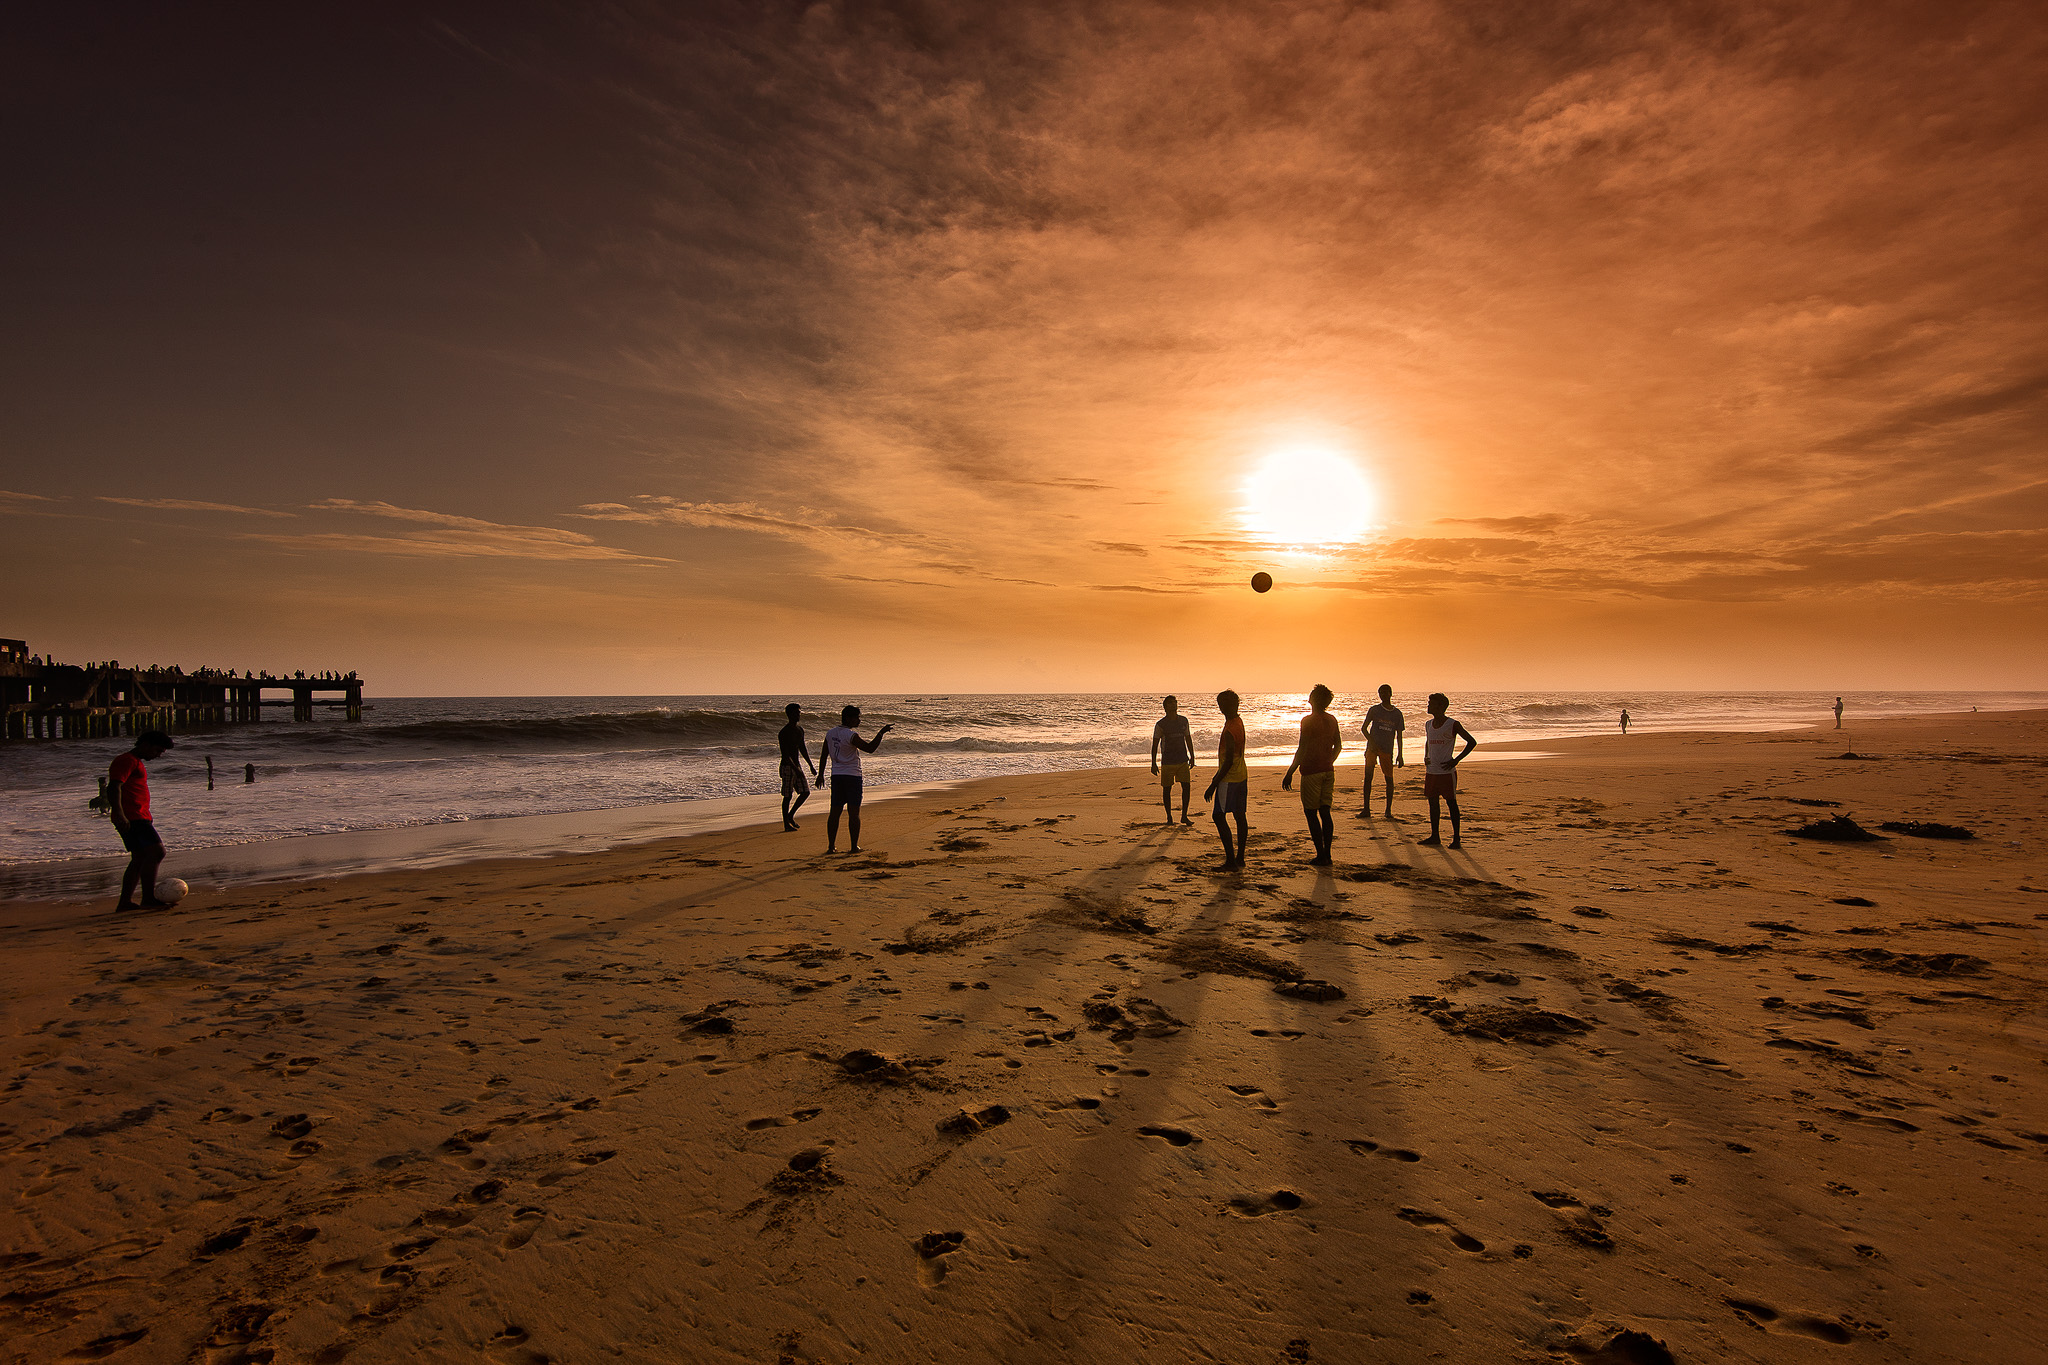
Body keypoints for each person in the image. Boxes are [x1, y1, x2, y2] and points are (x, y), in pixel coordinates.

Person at [108, 730, 175, 911]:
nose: (157, 755)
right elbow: (114, 787)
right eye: (157, 751)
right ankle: (148, 899)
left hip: (137, 815)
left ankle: (125, 902)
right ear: (145, 744)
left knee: (139, 858)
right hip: (133, 817)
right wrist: (119, 813)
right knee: (156, 852)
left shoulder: (134, 762)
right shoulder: (127, 761)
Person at [816, 705, 892, 854]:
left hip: (836, 776)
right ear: (848, 718)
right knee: (854, 813)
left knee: (835, 812)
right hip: (852, 776)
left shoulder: (830, 733)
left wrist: (820, 774)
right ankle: (853, 846)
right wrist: (881, 733)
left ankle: (831, 846)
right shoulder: (851, 735)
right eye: (857, 717)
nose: (859, 720)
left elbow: (824, 755)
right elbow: (870, 748)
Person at [1281, 684, 1342, 865]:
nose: (1308, 699)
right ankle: (1327, 854)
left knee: (1310, 813)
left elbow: (1302, 748)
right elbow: (1338, 746)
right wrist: (1330, 761)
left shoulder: (1307, 721)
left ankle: (1321, 854)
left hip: (1311, 771)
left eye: (1310, 697)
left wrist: (1290, 771)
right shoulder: (1332, 719)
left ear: (1314, 700)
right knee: (1325, 812)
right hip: (1328, 770)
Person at [1417, 693, 1477, 849]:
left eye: (1431, 703)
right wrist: (1426, 756)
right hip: (1432, 771)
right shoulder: (1428, 724)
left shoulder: (1452, 724)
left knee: (1451, 803)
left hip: (1446, 772)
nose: (1428, 705)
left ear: (1441, 707)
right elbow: (1428, 741)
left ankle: (1456, 838)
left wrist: (1456, 760)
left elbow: (1471, 742)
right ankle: (1435, 836)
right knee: (1432, 803)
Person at [1202, 690, 1249, 870]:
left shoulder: (1231, 729)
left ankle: (1231, 861)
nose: (1220, 708)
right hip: (1241, 775)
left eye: (1222, 705)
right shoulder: (1238, 722)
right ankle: (1240, 858)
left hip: (1229, 778)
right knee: (1239, 815)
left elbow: (1228, 761)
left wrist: (1213, 784)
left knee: (1218, 815)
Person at [1358, 684, 1404, 818]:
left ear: (1391, 693)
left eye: (1386, 692)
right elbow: (1364, 728)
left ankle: (1388, 811)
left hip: (1387, 749)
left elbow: (1399, 735)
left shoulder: (1397, 714)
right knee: (1368, 778)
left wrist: (1400, 754)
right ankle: (1366, 809)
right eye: (1381, 692)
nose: (1383, 695)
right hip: (1372, 749)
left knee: (1389, 779)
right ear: (1379, 694)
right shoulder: (1374, 710)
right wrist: (1371, 742)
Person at [1149, 695, 1196, 825]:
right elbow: (1155, 744)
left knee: (1186, 787)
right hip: (1168, 762)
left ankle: (1184, 816)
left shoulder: (1183, 721)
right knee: (1167, 789)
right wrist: (1153, 763)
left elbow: (1188, 739)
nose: (1173, 704)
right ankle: (1169, 817)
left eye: (1174, 702)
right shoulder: (1161, 724)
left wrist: (1192, 756)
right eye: (1170, 703)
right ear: (1165, 707)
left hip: (1182, 760)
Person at [777, 703, 820, 830]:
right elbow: (785, 755)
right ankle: (786, 824)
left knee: (805, 792)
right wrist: (796, 769)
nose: (798, 715)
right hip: (787, 767)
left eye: (799, 713)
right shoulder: (784, 732)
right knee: (787, 796)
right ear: (789, 715)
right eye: (796, 713)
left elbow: (803, 749)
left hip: (797, 765)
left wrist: (810, 765)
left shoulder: (799, 730)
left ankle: (790, 815)